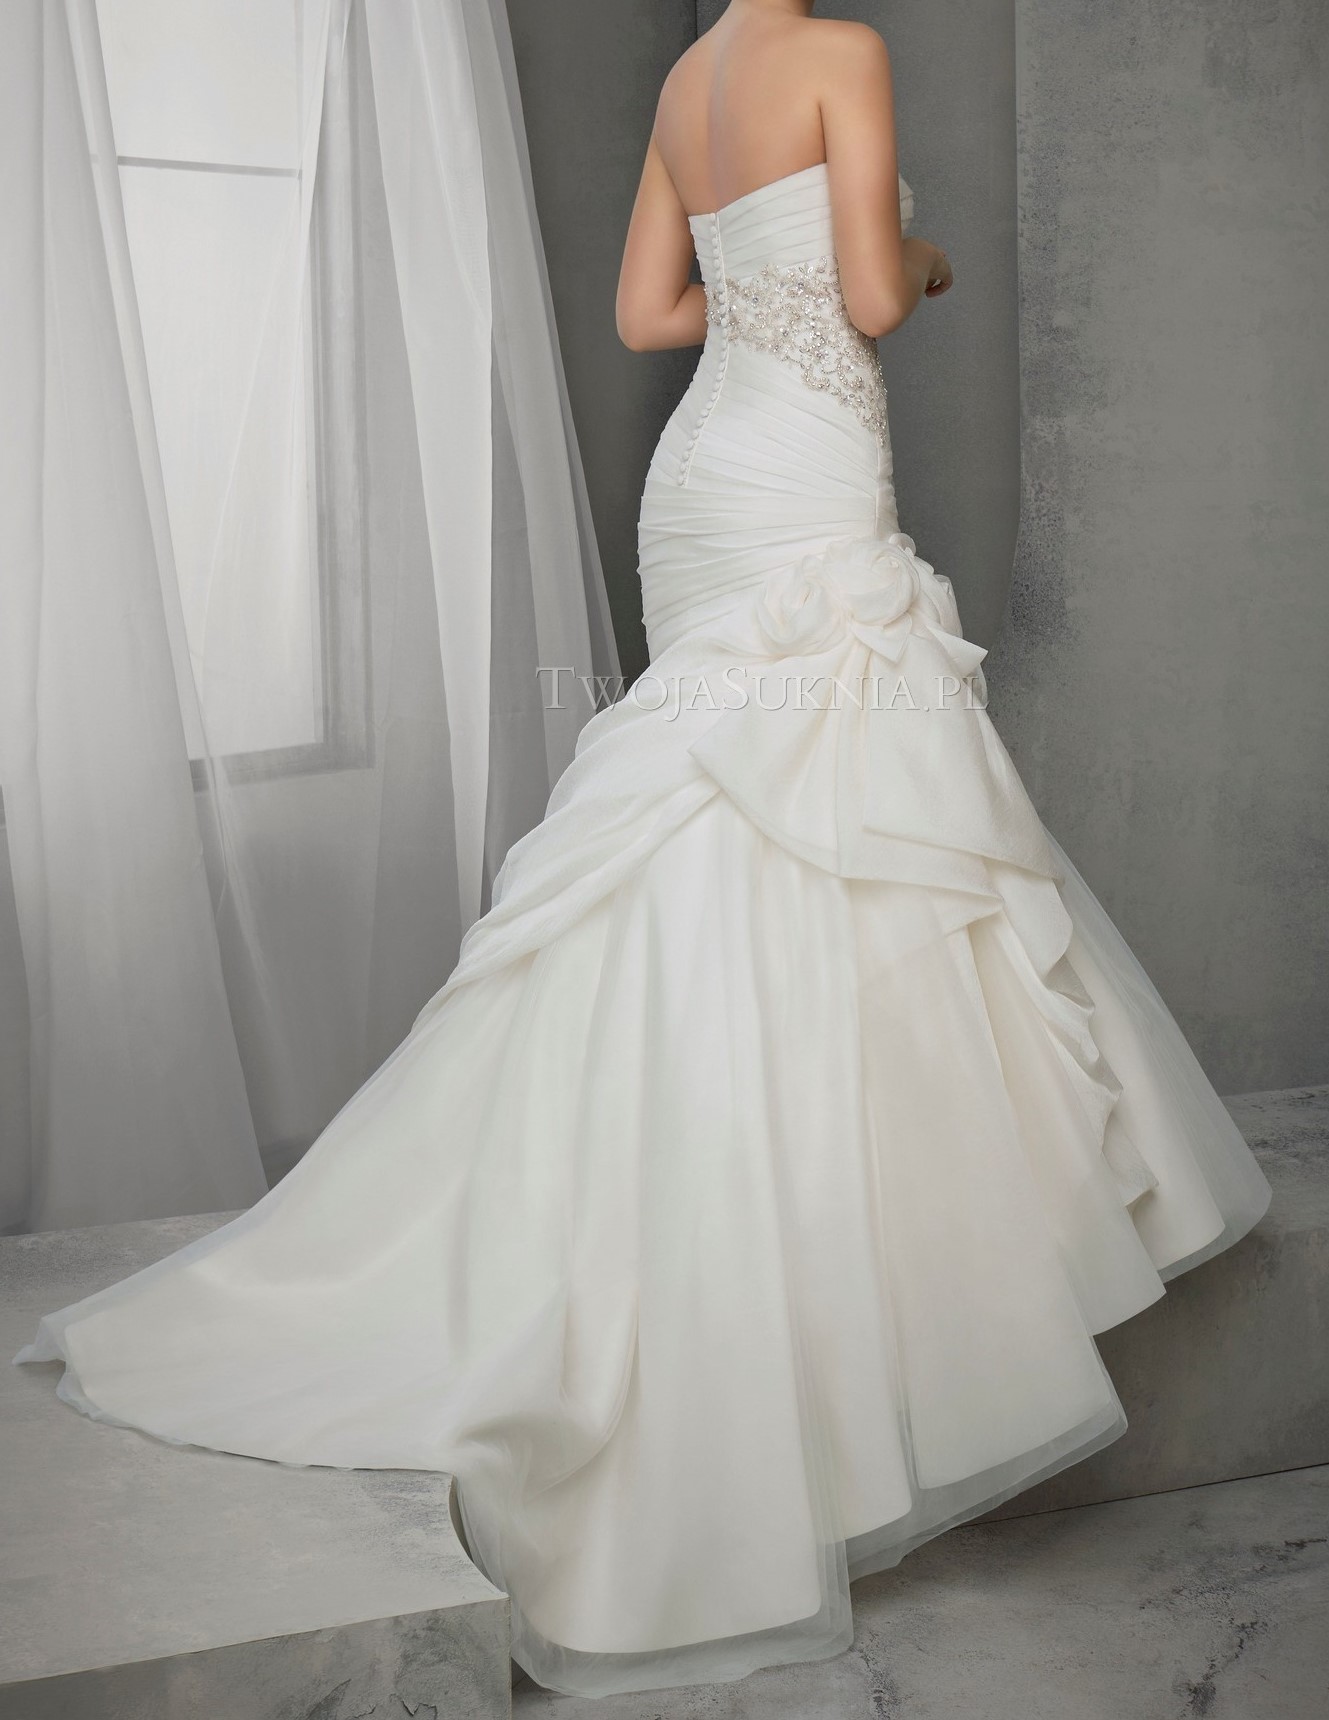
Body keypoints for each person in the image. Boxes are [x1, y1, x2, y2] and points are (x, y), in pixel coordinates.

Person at [15, 1, 1271, 1699]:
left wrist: (772, 281)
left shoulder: (691, 75)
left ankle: (704, 1184)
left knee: (706, 823)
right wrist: (922, 258)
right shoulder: (842, 54)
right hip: (805, 465)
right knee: (818, 812)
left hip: (701, 480)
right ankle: (794, 1229)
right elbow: (873, 296)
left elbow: (646, 314)